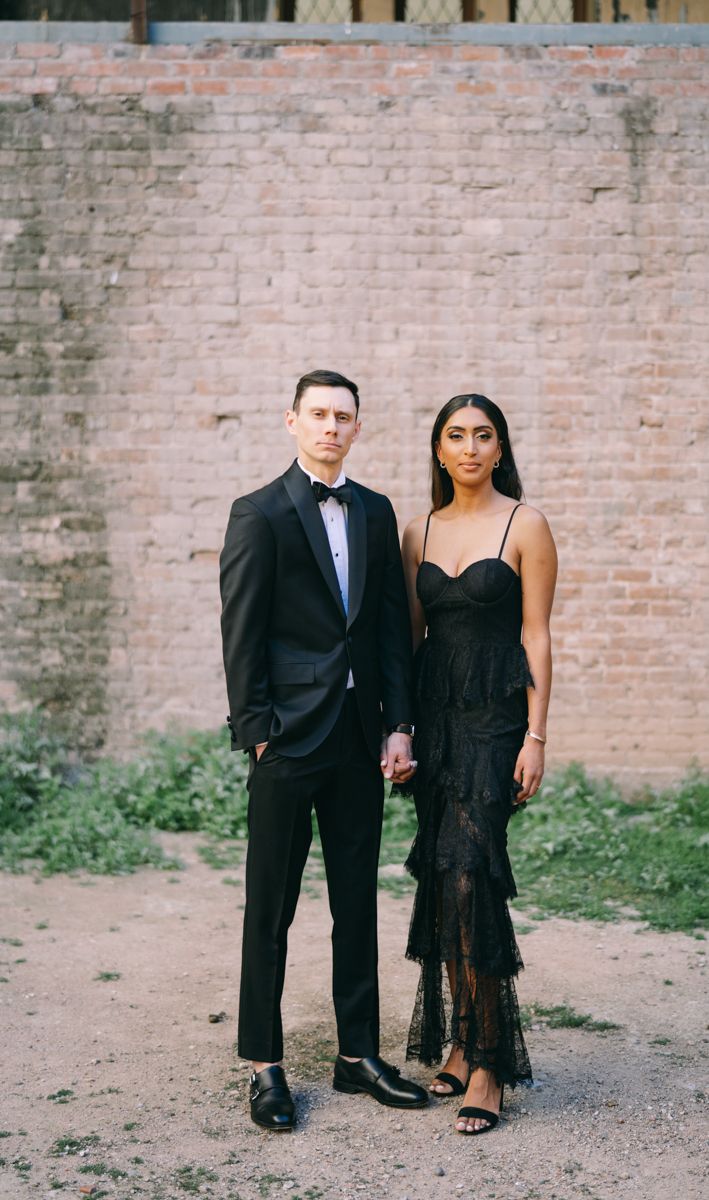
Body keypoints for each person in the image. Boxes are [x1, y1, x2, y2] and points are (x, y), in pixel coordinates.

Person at [219, 369, 429, 1132]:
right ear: (293, 421)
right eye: (319, 414)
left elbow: (386, 631)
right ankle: (264, 1064)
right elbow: (240, 634)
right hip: (287, 742)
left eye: (344, 417)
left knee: (356, 902)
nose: (332, 427)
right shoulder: (260, 512)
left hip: (356, 739)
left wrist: (397, 723)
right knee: (268, 906)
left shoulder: (374, 511)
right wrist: (258, 733)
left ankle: (358, 1055)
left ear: (357, 428)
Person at [398, 394, 557, 1135]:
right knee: (443, 875)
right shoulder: (418, 530)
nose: (468, 446)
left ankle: (489, 1063)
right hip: (435, 719)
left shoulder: (526, 524)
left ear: (500, 447)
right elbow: (407, 641)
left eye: (482, 435)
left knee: (470, 873)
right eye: (455, 435)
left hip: (497, 720)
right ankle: (461, 1039)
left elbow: (538, 635)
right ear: (439, 450)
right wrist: (397, 732)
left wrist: (538, 736)